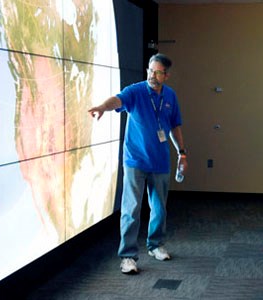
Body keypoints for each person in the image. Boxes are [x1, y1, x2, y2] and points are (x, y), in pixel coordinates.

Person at [88, 53, 187, 274]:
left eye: (157, 72)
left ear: (167, 75)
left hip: (160, 161)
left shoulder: (170, 95)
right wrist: (103, 107)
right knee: (131, 208)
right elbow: (118, 100)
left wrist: (182, 152)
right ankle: (128, 256)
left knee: (159, 208)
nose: (152, 75)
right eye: (150, 70)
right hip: (135, 160)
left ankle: (155, 245)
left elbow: (175, 126)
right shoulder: (136, 90)